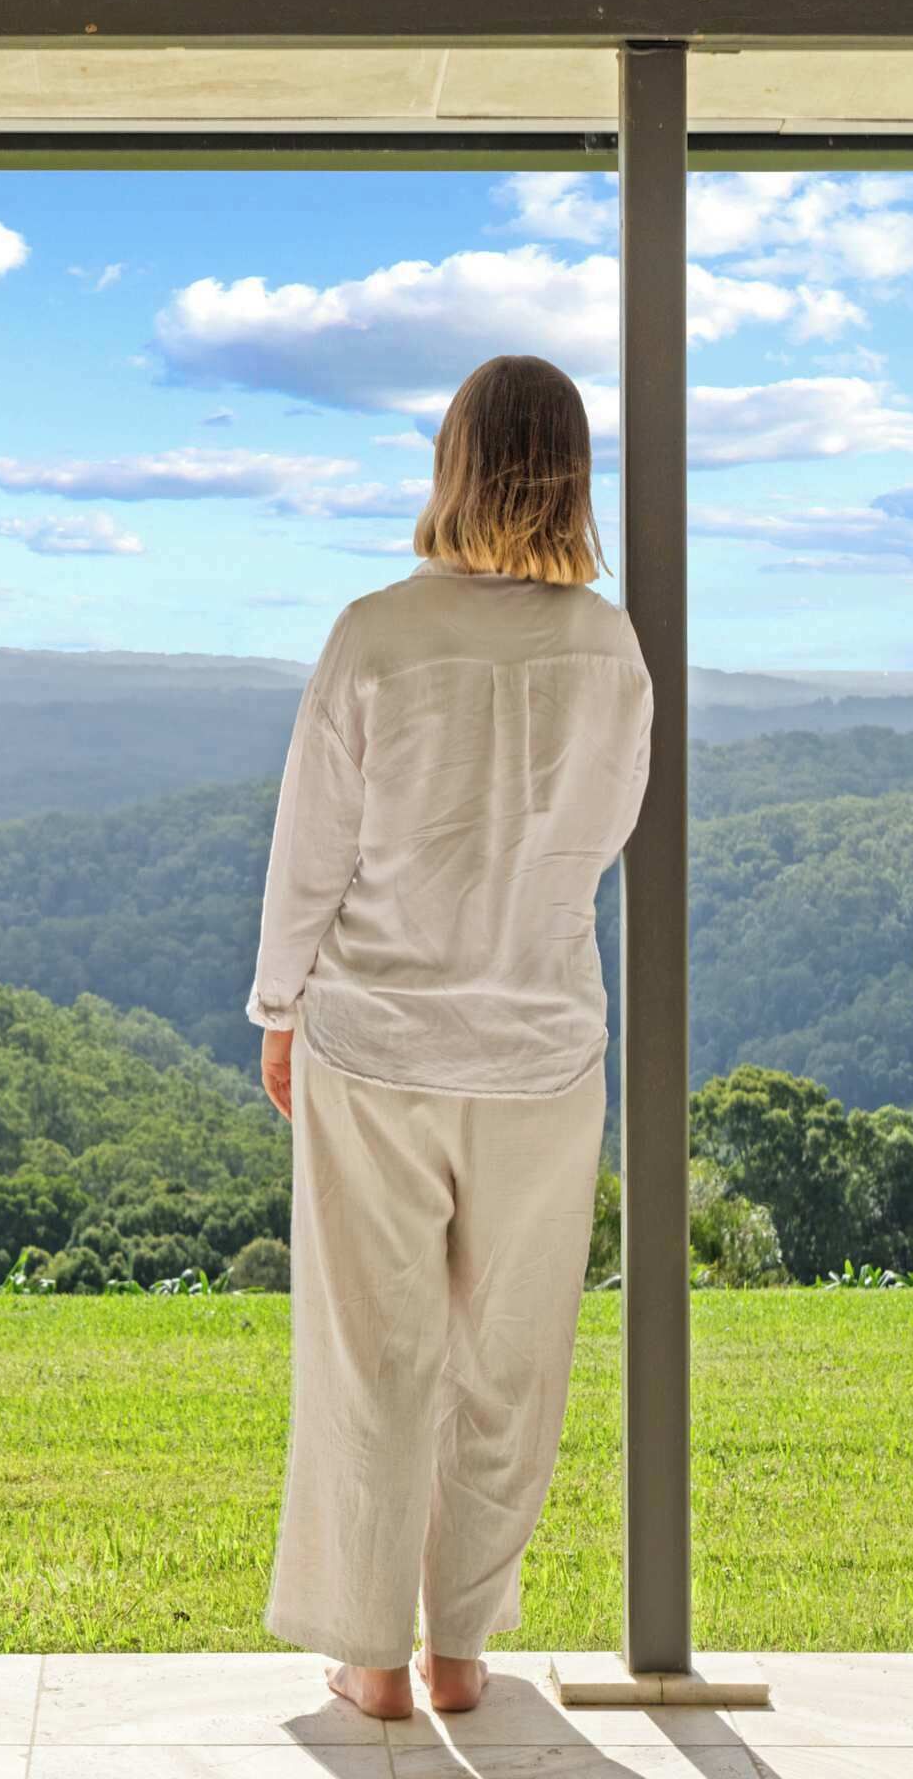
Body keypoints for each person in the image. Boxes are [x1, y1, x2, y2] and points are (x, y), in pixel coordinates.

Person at [248, 353, 655, 1721]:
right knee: (511, 1359)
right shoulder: (608, 647)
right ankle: (464, 1647)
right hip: (542, 1046)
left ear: (454, 463)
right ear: (571, 471)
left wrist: (280, 1004)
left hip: (376, 1042)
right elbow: (603, 837)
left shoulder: (374, 634)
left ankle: (369, 1658)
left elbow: (312, 853)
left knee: (377, 1354)